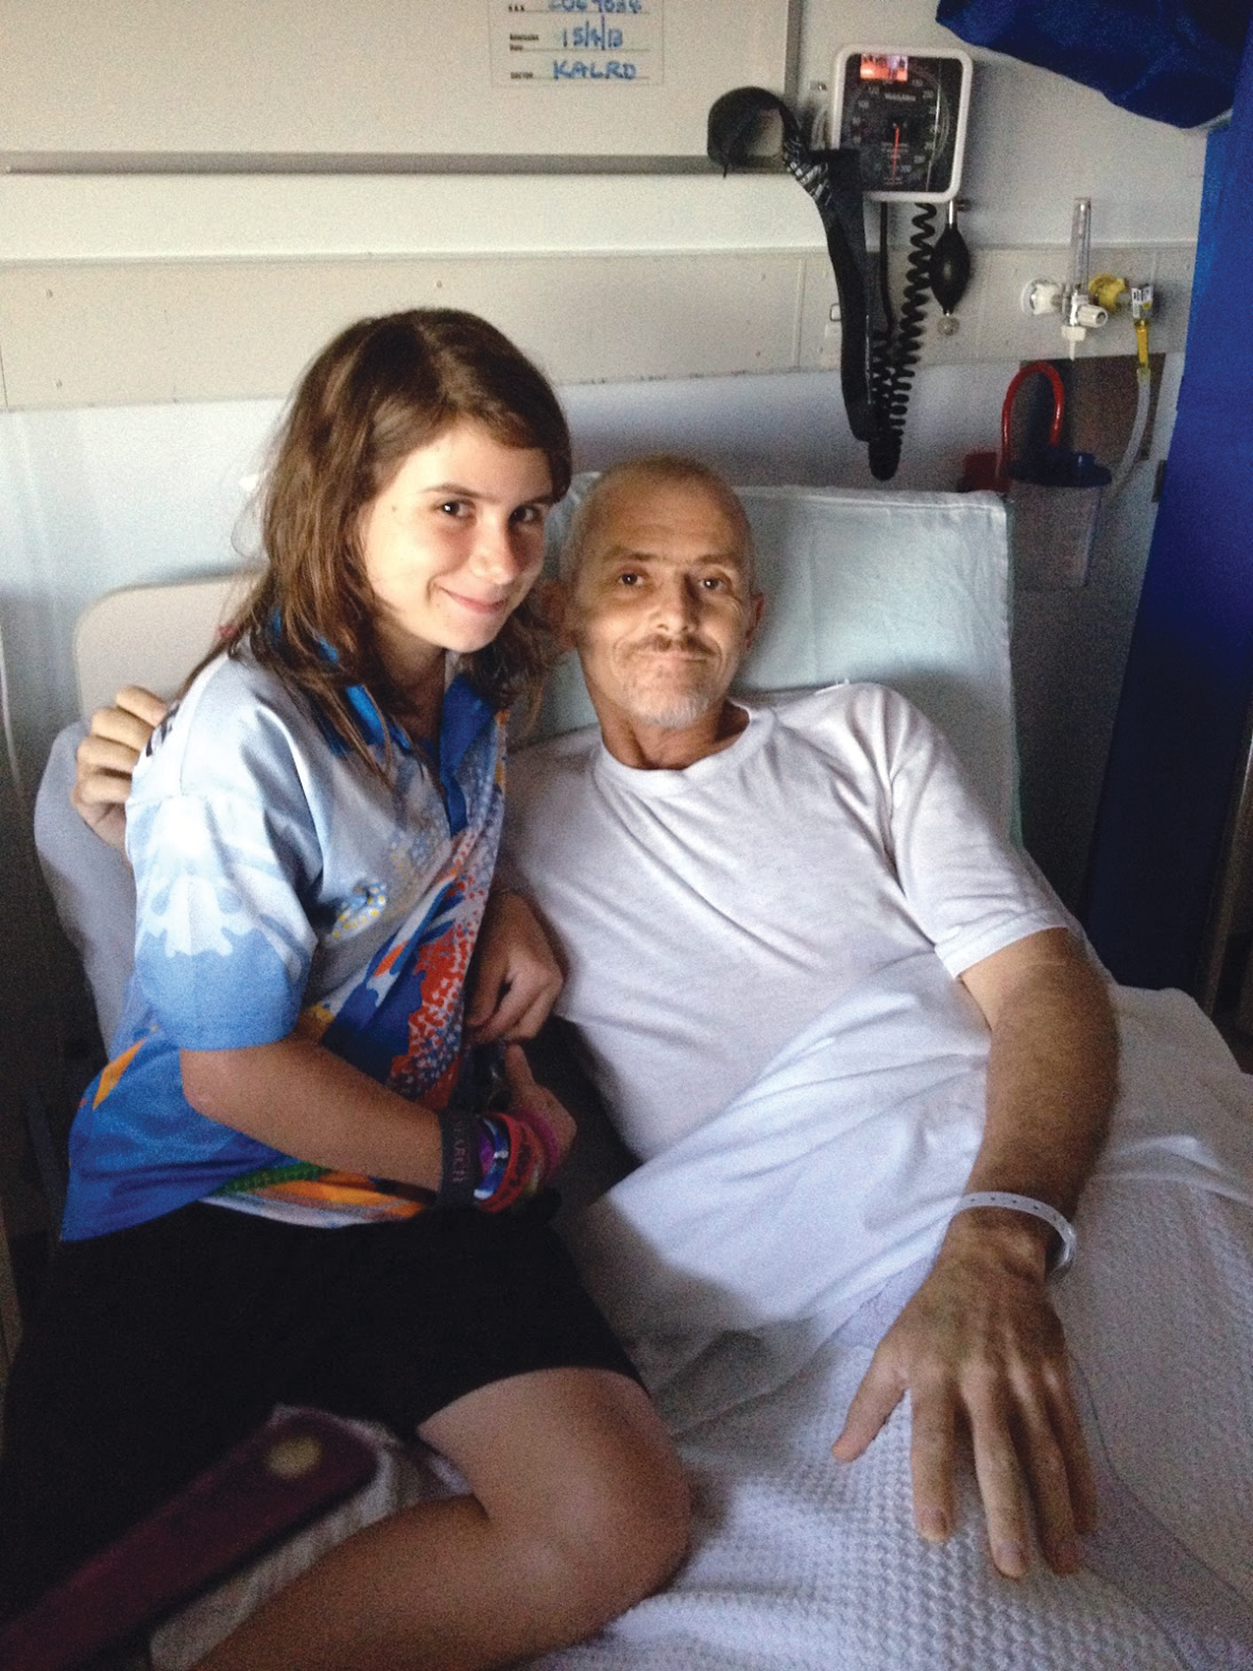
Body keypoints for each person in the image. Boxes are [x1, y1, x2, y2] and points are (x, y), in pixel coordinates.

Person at [69, 453, 1117, 1589]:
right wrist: (149, 774)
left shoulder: (863, 733)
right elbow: (298, 874)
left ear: (753, 616)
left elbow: (1045, 986)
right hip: (800, 1246)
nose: (675, 614)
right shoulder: (491, 806)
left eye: (712, 583)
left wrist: (1000, 1237)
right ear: (560, 610)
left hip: (1028, 1167)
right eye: (632, 577)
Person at [1, 316, 689, 1670]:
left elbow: (402, 867)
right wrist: (486, 1155)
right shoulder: (248, 733)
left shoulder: (475, 684)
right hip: (209, 1190)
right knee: (44, 1620)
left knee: (617, 1522)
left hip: (403, 1188)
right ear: (346, 499)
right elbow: (233, 1073)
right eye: (451, 508)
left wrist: (503, 904)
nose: (498, 561)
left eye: (528, 516)